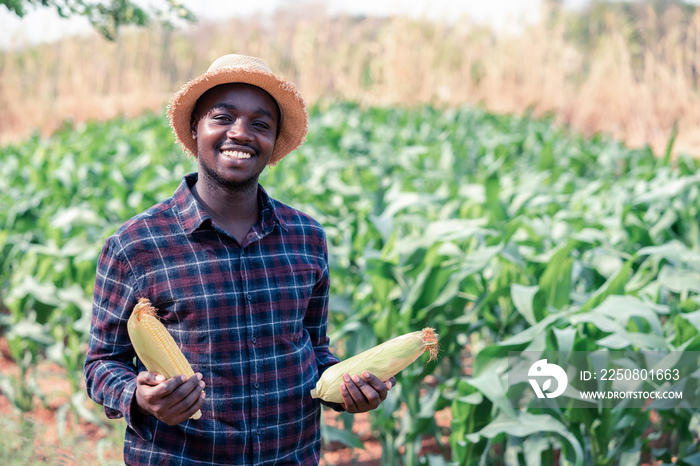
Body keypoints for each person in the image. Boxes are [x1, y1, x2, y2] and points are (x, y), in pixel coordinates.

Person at [84, 54, 395, 465]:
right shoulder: (136, 244)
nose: (240, 134)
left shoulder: (306, 238)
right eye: (222, 117)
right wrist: (139, 397)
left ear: (273, 142)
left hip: (291, 455)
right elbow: (102, 364)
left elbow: (313, 348)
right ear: (195, 128)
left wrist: (347, 389)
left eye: (260, 124)